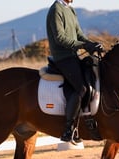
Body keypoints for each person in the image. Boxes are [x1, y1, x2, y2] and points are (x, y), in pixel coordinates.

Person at [46, 0, 103, 143]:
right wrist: (83, 45)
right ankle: (68, 129)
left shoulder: (70, 9)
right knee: (81, 88)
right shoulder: (56, 10)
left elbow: (78, 34)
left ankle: (86, 120)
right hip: (63, 57)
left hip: (73, 55)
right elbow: (60, 38)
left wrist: (91, 44)